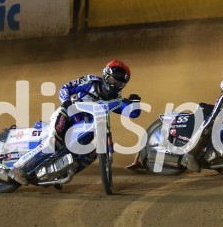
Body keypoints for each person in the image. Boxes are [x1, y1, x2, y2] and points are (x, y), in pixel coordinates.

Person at [12, 60, 141, 184]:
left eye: (119, 84)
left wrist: (135, 103)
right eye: (113, 81)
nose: (114, 85)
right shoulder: (91, 82)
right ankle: (19, 168)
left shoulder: (116, 99)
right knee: (54, 143)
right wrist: (66, 103)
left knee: (92, 153)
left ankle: (61, 173)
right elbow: (65, 89)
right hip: (67, 115)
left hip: (86, 127)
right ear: (106, 76)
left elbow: (133, 113)